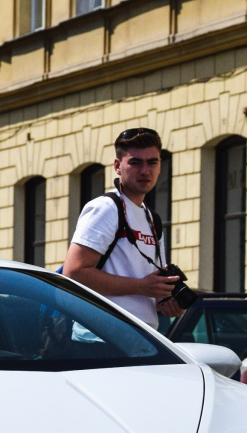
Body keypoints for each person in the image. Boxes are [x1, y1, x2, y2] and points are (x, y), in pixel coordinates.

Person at [63, 127, 181, 327]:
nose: (145, 170)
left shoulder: (153, 219)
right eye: (135, 163)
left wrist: (168, 302)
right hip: (100, 337)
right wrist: (141, 286)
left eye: (152, 162)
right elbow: (74, 273)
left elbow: (148, 289)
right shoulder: (106, 208)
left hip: (144, 336)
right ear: (118, 166)